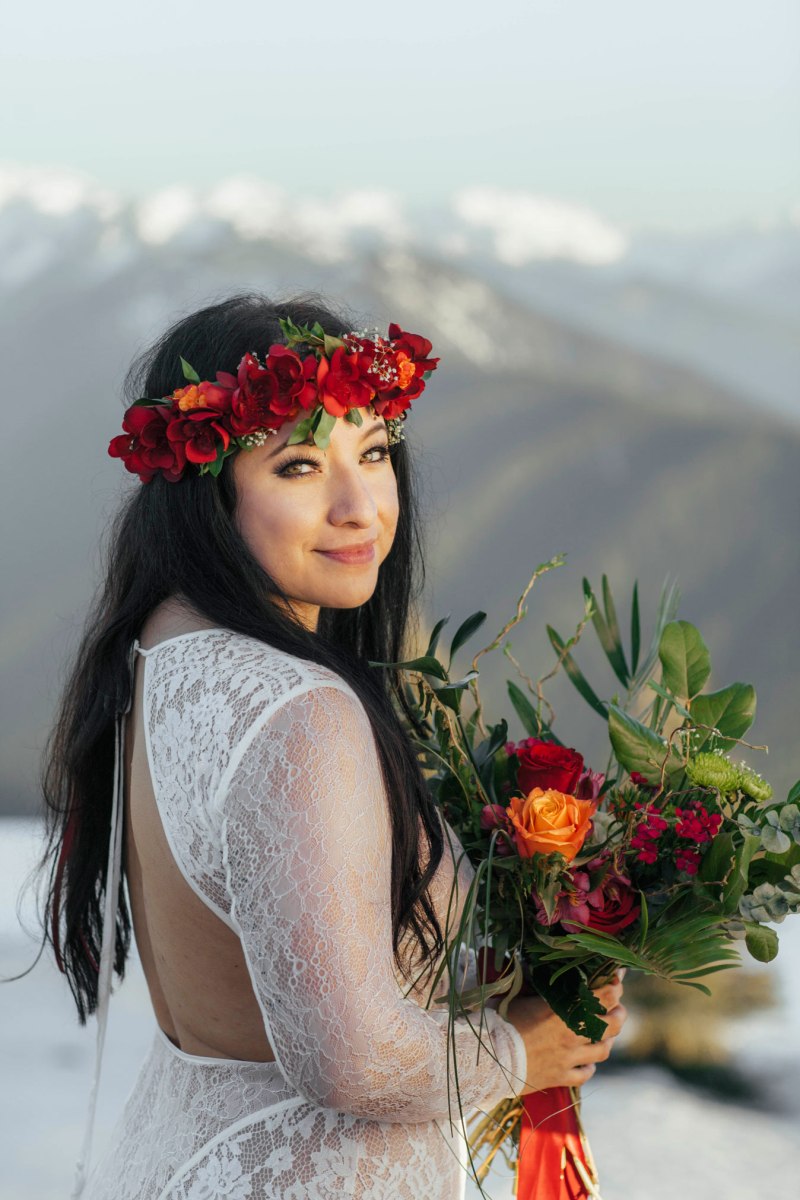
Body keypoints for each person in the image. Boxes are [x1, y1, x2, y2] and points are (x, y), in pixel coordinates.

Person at [37, 292, 626, 1199]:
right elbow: (346, 1060)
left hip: (190, 1154)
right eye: (301, 465)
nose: (359, 508)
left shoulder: (162, 642)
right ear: (206, 487)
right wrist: (526, 1050)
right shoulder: (302, 710)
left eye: (376, 453)